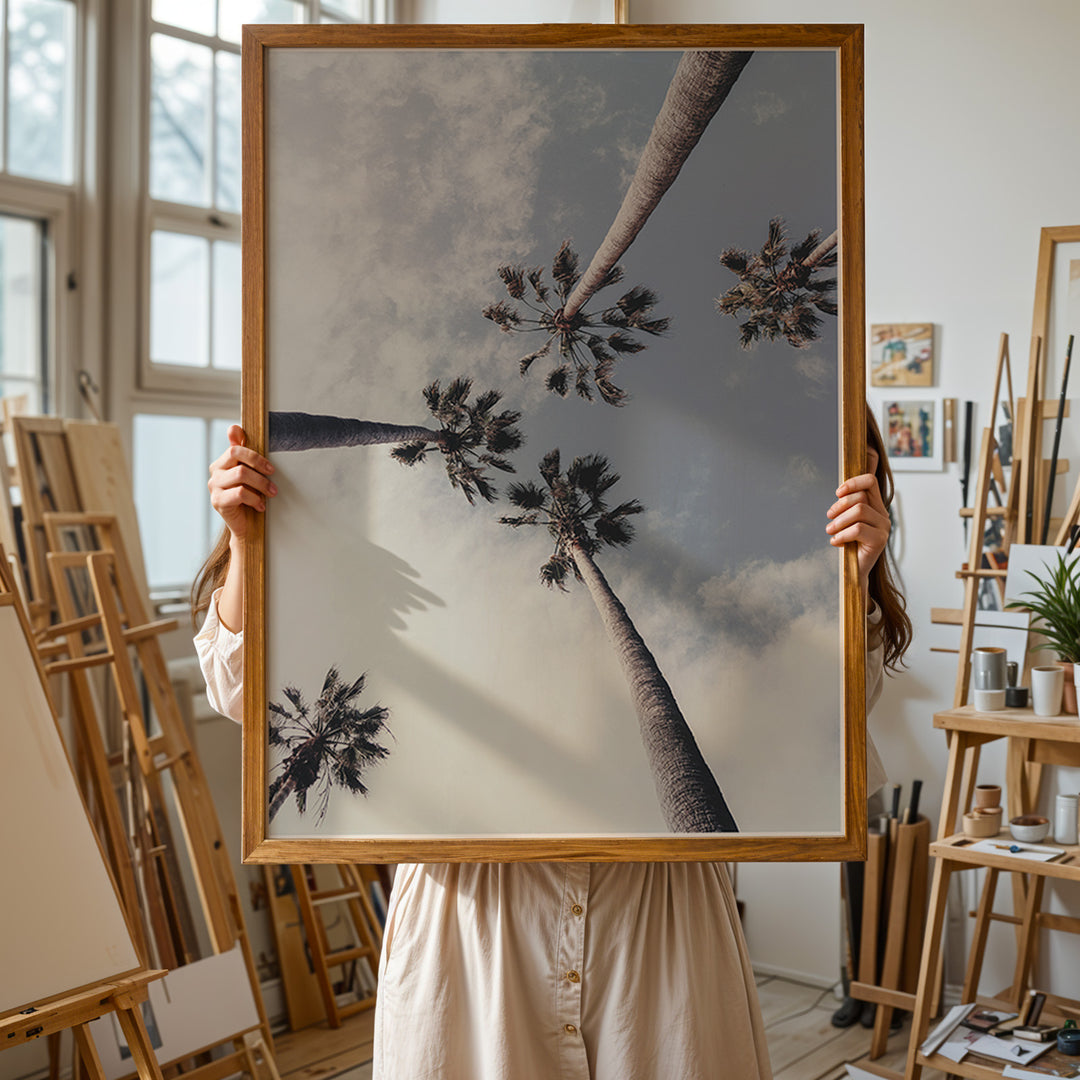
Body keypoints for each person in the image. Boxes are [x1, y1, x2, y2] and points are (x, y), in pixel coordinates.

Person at [193, 412, 909, 1080]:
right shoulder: (388, 570)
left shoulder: (727, 583)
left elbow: (828, 724)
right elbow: (239, 696)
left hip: (662, 918)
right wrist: (246, 544)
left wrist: (857, 577)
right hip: (470, 923)